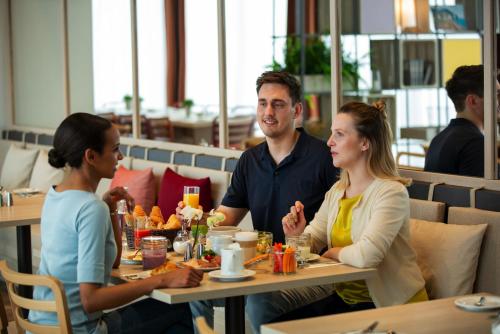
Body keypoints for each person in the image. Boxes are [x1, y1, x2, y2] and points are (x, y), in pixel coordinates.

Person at [184, 71, 338, 333]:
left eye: (278, 104)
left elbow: (339, 222)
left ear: (296, 110)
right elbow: (226, 217)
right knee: (197, 288)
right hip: (262, 268)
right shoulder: (250, 160)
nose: (268, 111)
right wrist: (201, 219)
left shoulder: (322, 157)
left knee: (258, 300)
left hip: (309, 269)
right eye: (262, 103)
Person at [29, 113, 203, 334]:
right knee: (181, 309)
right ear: (91, 156)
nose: (120, 156)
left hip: (43, 328)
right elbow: (90, 300)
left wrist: (110, 209)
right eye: (114, 149)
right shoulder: (90, 209)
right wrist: (161, 279)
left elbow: (111, 263)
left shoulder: (55, 196)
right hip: (81, 330)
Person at [282, 101, 427, 314]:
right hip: (347, 301)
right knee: (278, 325)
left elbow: (367, 256)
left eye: (339, 134)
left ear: (364, 143)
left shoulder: (391, 193)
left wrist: (333, 252)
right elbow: (311, 243)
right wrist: (297, 236)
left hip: (391, 307)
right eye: (332, 134)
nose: (329, 142)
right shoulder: (336, 191)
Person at [424, 65, 500, 177]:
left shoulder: (437, 140)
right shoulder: (475, 144)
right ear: (473, 101)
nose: (498, 102)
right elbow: (485, 194)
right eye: (496, 94)